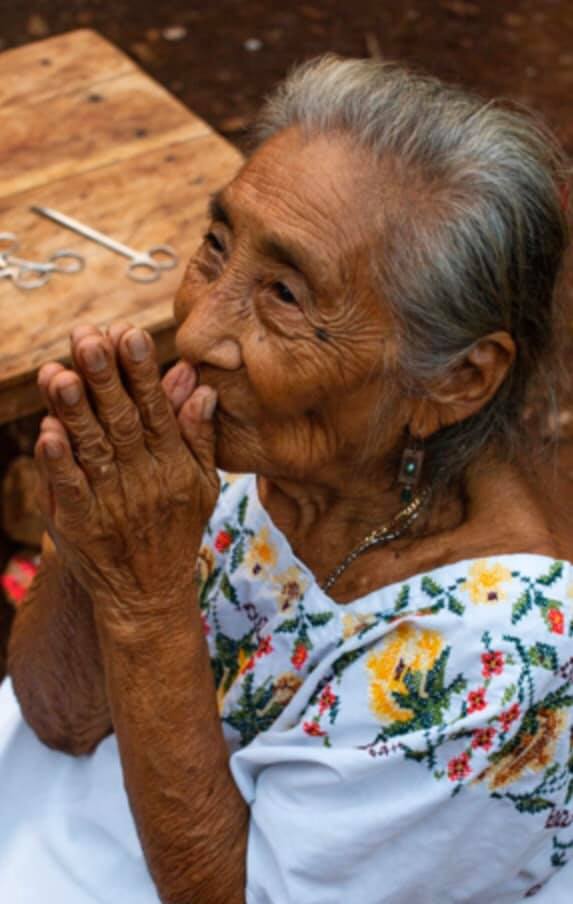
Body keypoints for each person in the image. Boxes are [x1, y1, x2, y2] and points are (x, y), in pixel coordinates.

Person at [1, 54, 572, 903]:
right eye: (216, 246)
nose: (195, 333)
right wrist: (96, 543)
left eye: (286, 296)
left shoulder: (504, 661)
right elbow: (57, 719)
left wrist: (147, 597)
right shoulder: (258, 442)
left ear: (456, 379)